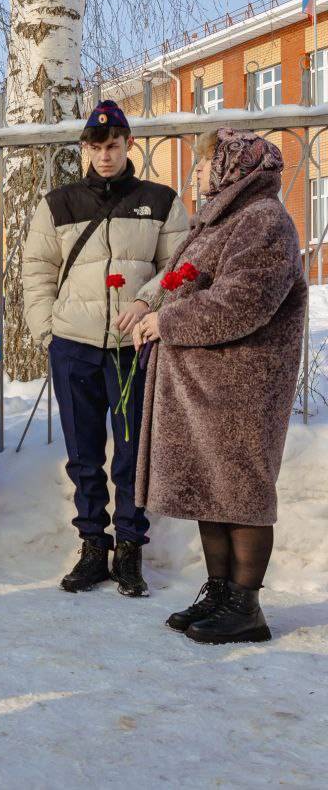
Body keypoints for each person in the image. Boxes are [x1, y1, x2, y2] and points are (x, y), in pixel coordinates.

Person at [134, 128, 307, 644]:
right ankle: (220, 592)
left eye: (205, 161)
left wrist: (167, 322)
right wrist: (156, 309)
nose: (198, 172)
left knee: (241, 492)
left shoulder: (264, 220)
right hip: (206, 387)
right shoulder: (222, 218)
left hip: (243, 387)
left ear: (232, 165)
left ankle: (245, 605)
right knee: (211, 490)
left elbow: (242, 302)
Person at [23, 100, 189, 597]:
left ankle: (130, 547)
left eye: (113, 145)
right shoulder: (59, 203)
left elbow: (179, 267)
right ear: (85, 149)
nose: (105, 156)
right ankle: (93, 544)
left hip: (133, 349)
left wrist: (146, 301)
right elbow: (37, 271)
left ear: (128, 144)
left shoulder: (160, 200)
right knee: (84, 452)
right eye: (96, 148)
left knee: (132, 452)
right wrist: (47, 333)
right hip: (74, 345)